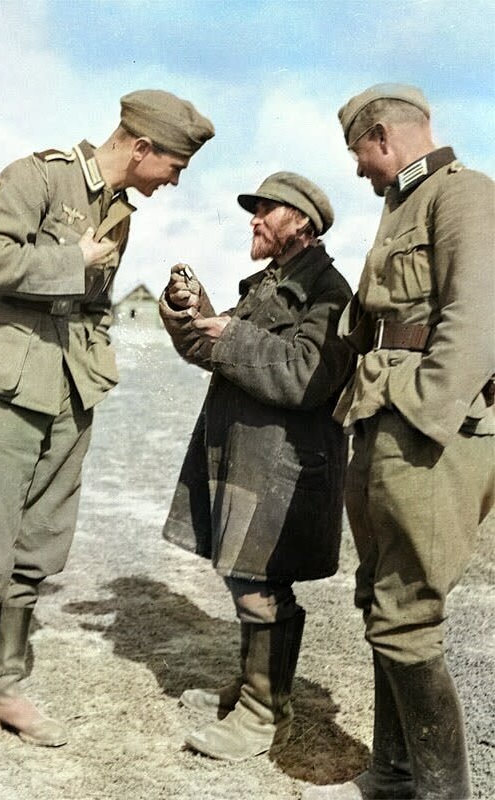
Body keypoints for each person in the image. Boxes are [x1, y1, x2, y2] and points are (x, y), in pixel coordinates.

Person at [0, 89, 214, 781]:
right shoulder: (39, 177)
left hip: (71, 385)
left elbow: (93, 304)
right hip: (6, 383)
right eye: (174, 166)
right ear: (143, 147)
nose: (174, 181)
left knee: (38, 549)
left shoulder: (119, 209)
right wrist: (69, 260)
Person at [302, 84, 495, 800]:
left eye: (359, 152)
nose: (358, 169)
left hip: (424, 429)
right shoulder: (400, 204)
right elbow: (371, 324)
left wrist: (423, 416)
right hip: (380, 417)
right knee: (382, 601)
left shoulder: (463, 193)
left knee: (408, 614)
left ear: (382, 136)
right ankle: (393, 776)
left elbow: (476, 319)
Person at [159, 172, 353, 762]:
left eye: (267, 210)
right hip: (249, 457)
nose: (254, 219)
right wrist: (190, 310)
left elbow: (303, 375)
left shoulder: (329, 293)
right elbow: (213, 348)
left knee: (260, 582)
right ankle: (253, 691)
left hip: (283, 466)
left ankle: (265, 714)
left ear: (301, 223)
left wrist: (230, 333)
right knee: (244, 574)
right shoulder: (273, 283)